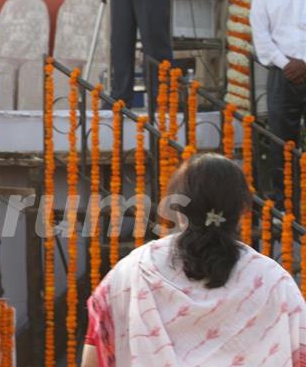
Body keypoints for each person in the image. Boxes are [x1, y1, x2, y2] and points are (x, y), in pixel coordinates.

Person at [82, 153, 306, 366]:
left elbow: (94, 353)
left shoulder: (135, 269)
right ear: (241, 211)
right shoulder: (271, 279)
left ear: (178, 210)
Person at [251, 0, 306, 213]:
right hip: (281, 75)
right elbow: (261, 36)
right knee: (282, 144)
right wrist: (287, 64)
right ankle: (286, 210)